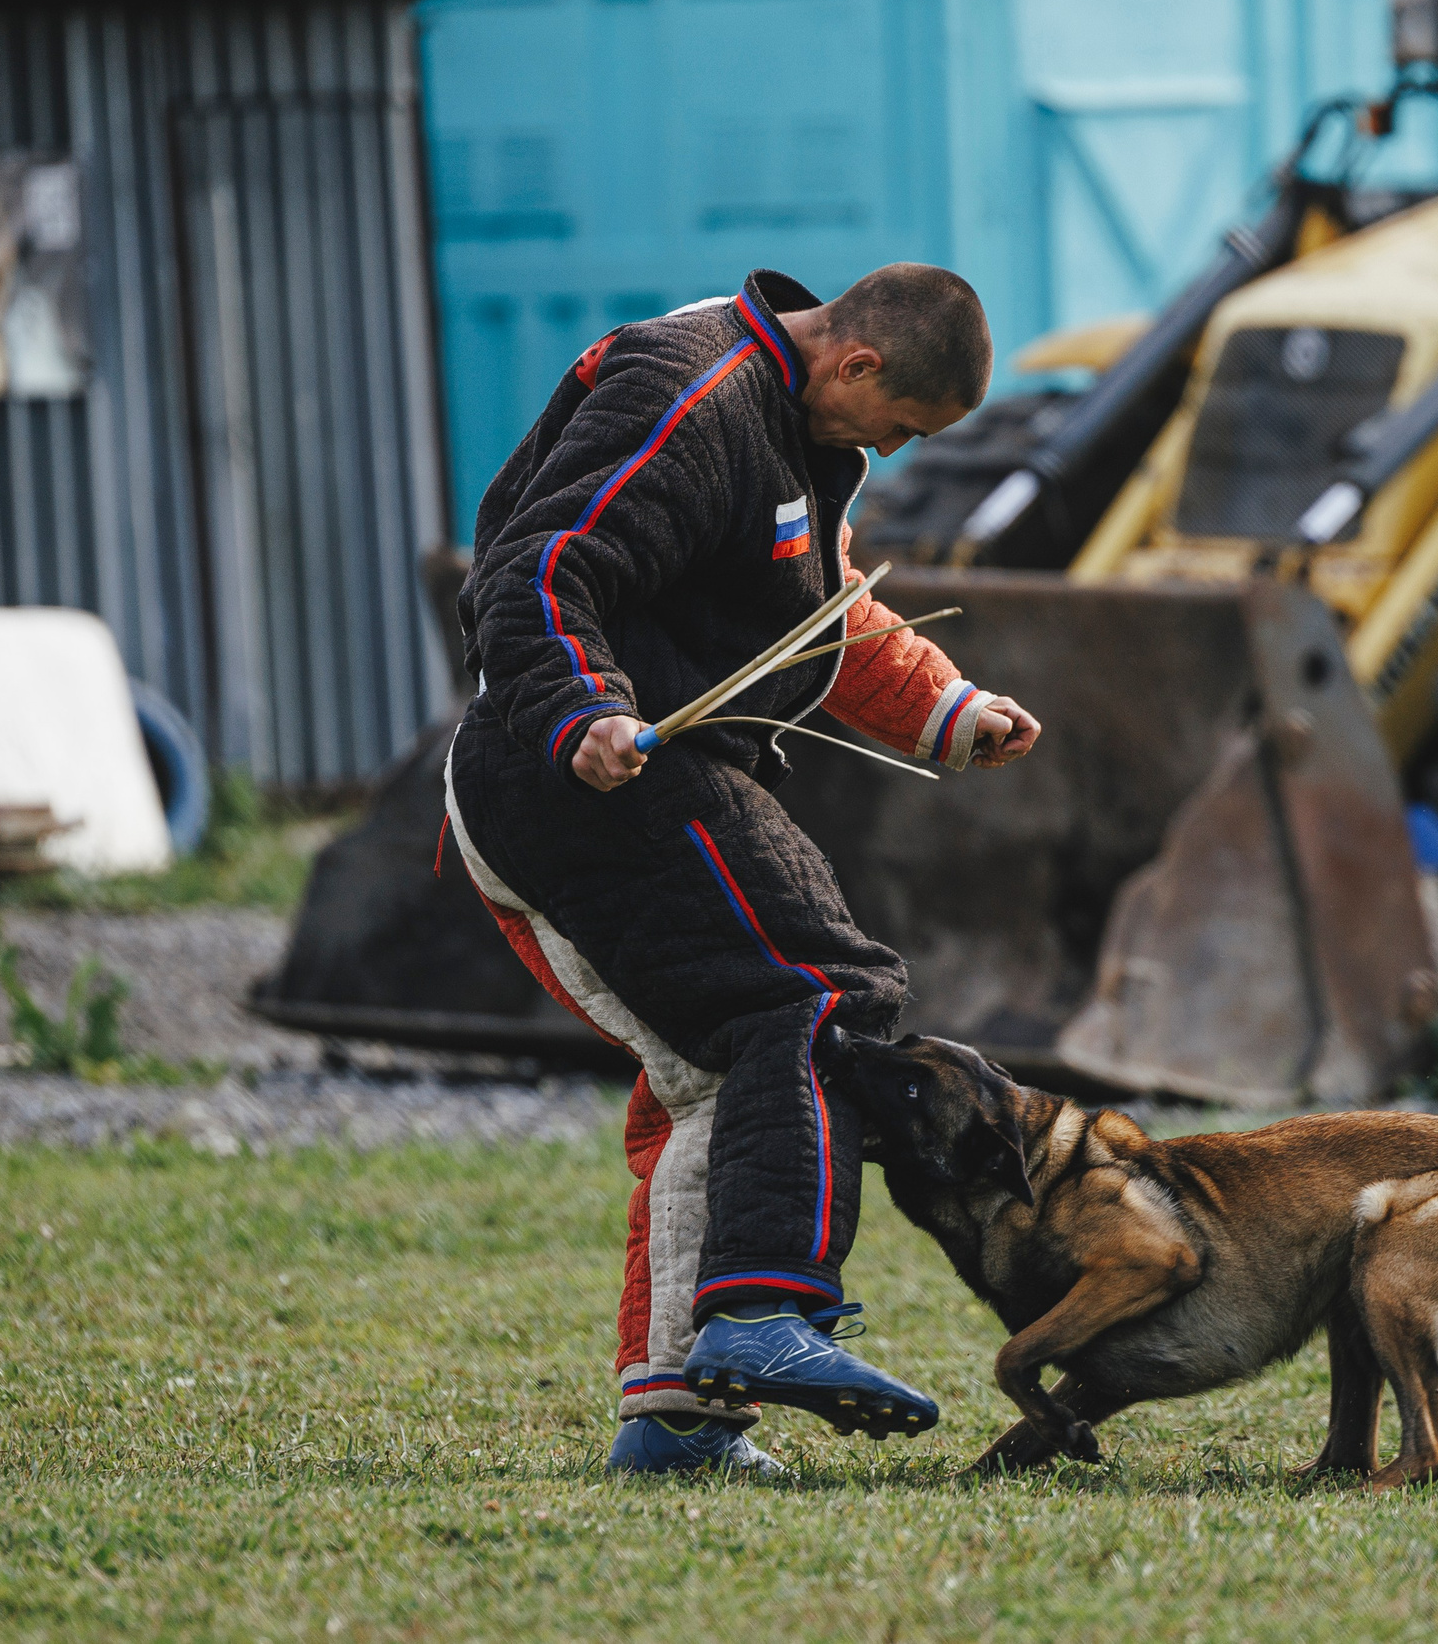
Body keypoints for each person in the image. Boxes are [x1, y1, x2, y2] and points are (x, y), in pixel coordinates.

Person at [445, 265, 1042, 1475]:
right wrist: (582, 710)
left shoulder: (789, 427)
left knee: (723, 1075)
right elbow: (540, 569)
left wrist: (948, 707)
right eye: (904, 425)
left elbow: (813, 615)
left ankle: (679, 1420)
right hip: (583, 770)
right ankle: (764, 1315)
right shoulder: (694, 392)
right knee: (818, 995)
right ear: (858, 364)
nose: (898, 447)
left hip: (628, 770)